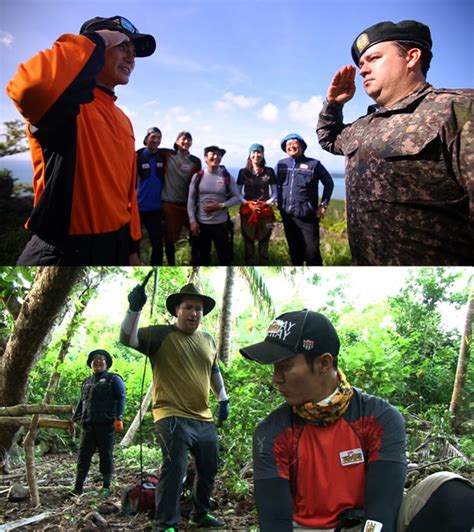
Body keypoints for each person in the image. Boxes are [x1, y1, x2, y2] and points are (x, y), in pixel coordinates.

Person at [240, 309, 474, 531]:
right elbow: (275, 521)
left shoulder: (378, 418)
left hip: (369, 525)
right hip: (306, 529)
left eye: (285, 366)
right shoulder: (272, 432)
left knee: (453, 494)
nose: (276, 379)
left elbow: (382, 509)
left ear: (324, 363)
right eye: (274, 368)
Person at [317, 20, 474, 266]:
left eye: (374, 58)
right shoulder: (363, 126)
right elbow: (329, 138)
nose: (362, 70)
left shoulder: (458, 110)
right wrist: (334, 104)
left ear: (411, 57)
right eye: (361, 64)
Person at [6, 16, 156, 266]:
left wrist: (132, 247)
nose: (131, 58)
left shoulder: (123, 119)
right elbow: (29, 87)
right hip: (63, 251)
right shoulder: (64, 104)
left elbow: (127, 192)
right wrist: (95, 40)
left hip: (117, 246)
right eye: (122, 45)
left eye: (133, 51)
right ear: (97, 45)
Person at [119, 282, 229, 531]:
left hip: (203, 417)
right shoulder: (160, 334)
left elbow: (213, 370)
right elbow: (127, 338)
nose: (194, 313)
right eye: (188, 307)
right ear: (176, 310)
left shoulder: (208, 340)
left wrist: (223, 398)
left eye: (198, 309)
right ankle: (166, 524)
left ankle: (200, 513)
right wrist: (134, 309)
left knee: (209, 467)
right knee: (175, 468)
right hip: (171, 415)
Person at [70, 349, 126, 497]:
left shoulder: (114, 379)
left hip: (106, 426)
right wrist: (74, 419)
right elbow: (82, 401)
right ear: (91, 364)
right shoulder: (86, 382)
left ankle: (106, 486)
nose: (98, 361)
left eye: (101, 359)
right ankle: (78, 487)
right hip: (88, 425)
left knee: (105, 455)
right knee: (83, 456)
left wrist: (118, 417)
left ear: (106, 363)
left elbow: (121, 398)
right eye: (94, 359)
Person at [276, 134, 334, 266]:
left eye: (294, 143)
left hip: (307, 217)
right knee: (295, 253)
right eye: (288, 145)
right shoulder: (281, 165)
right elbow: (273, 184)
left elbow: (329, 183)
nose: (291, 146)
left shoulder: (314, 164)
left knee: (312, 254)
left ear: (302, 146)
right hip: (287, 217)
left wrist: (323, 205)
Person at [188, 146, 242, 265]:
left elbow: (236, 197)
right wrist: (192, 221)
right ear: (206, 158)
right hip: (202, 225)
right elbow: (191, 200)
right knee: (203, 259)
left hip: (221, 225)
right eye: (213, 154)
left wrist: (221, 205)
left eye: (219, 155)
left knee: (225, 259)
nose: (216, 157)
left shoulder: (226, 177)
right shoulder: (198, 176)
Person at [160, 131, 202, 265]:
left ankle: (194, 261)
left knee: (195, 234)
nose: (186, 142)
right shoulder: (166, 155)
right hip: (169, 204)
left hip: (188, 205)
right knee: (169, 238)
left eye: (189, 140)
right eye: (183, 139)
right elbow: (149, 150)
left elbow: (197, 183)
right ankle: (171, 264)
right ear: (177, 141)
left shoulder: (195, 161)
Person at [237, 143, 277, 265]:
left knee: (265, 239)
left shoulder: (269, 171)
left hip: (266, 211)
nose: (256, 155)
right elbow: (238, 193)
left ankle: (264, 262)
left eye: (259, 152)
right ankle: (249, 263)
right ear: (249, 155)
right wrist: (247, 203)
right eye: (253, 152)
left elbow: (275, 192)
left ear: (263, 155)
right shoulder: (243, 172)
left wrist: (267, 203)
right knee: (248, 239)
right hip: (248, 211)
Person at [136, 127, 165, 265]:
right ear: (146, 138)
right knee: (134, 242)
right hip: (138, 208)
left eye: (159, 137)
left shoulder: (163, 156)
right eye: (153, 137)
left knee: (158, 243)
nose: (156, 140)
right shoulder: (137, 156)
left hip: (156, 209)